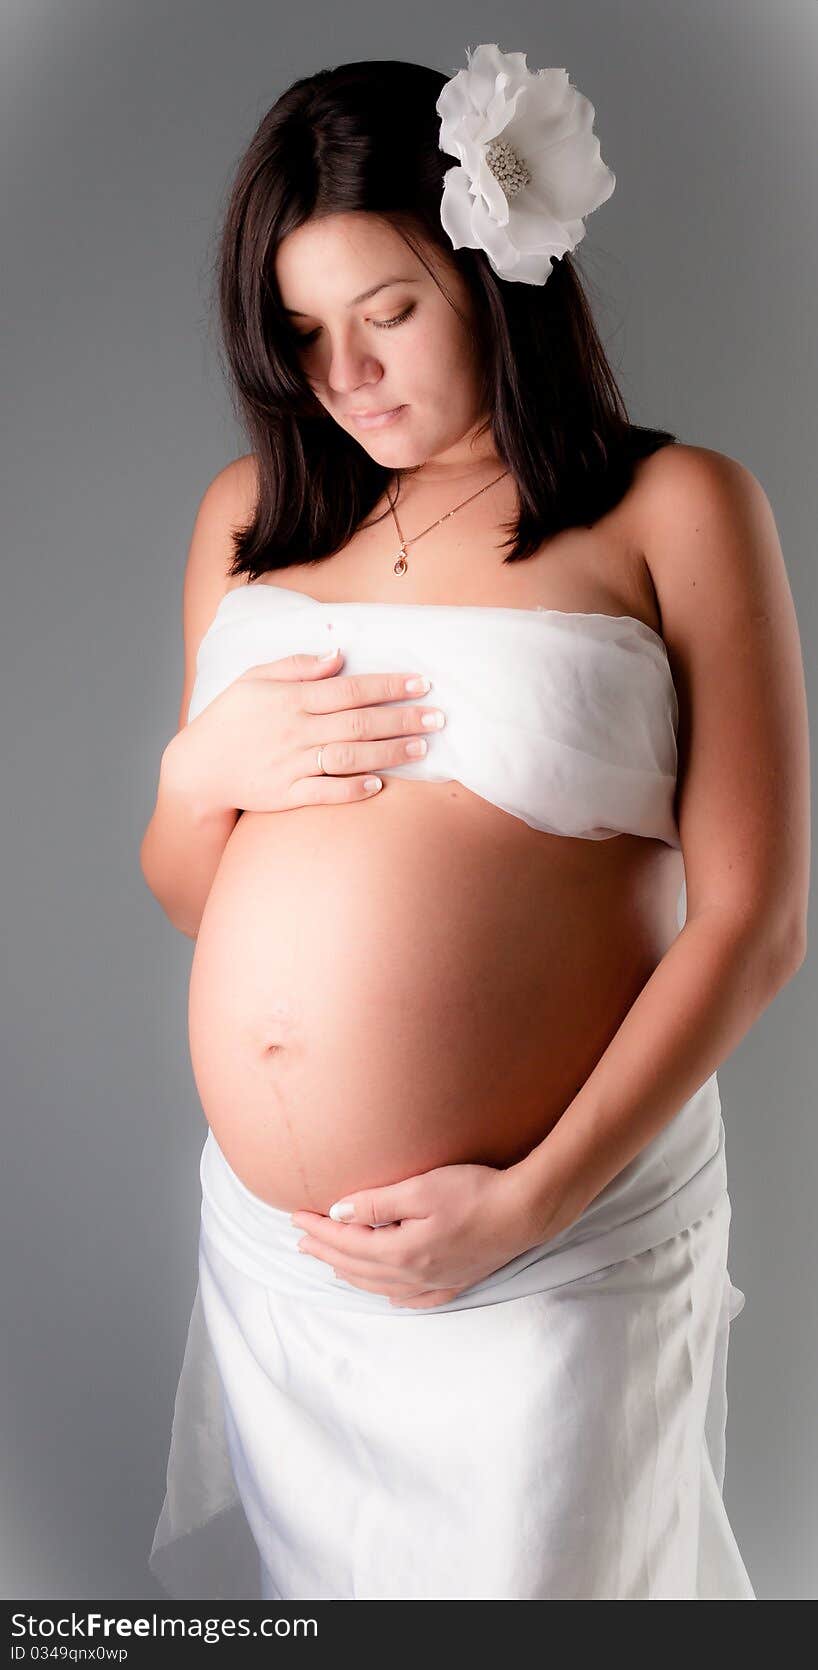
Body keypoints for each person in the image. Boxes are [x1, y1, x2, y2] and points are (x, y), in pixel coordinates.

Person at [140, 45, 809, 1600]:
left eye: (388, 314)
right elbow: (195, 892)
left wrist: (525, 1202)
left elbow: (753, 922)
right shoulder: (245, 524)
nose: (346, 378)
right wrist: (197, 771)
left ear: (493, 278)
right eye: (302, 334)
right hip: (289, 1272)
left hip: (552, 1250)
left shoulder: (675, 510)